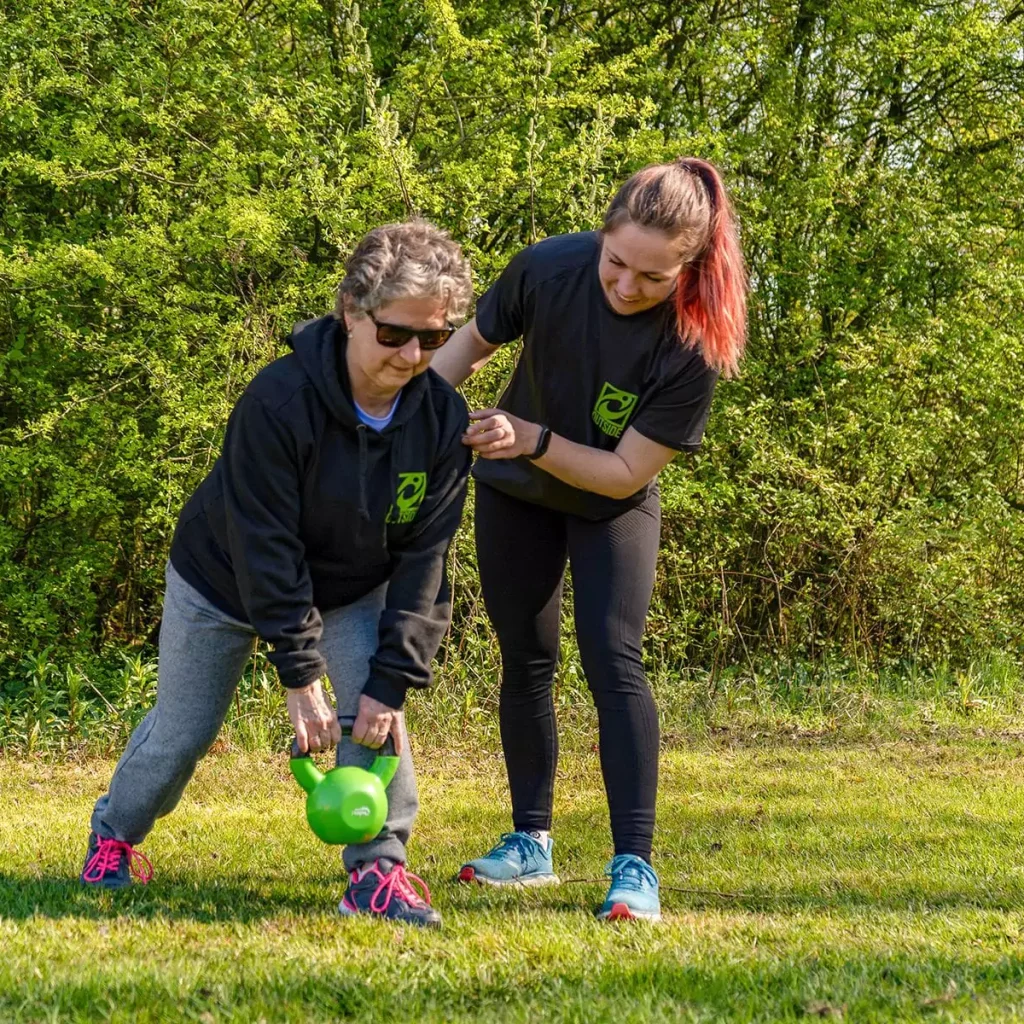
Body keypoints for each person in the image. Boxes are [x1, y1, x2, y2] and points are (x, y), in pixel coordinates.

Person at [80, 220, 473, 929]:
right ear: (352, 311)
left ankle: (378, 873)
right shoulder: (277, 402)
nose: (414, 355)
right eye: (394, 334)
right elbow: (265, 545)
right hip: (223, 579)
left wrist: (392, 682)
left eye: (434, 338)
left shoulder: (442, 422)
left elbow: (426, 560)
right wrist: (299, 674)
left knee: (376, 720)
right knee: (182, 733)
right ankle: (112, 837)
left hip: (351, 588)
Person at [431, 158, 747, 921]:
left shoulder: (695, 343)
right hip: (516, 492)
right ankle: (528, 845)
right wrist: (393, 422)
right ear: (600, 237)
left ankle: (634, 866)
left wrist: (532, 437)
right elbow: (462, 352)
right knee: (526, 659)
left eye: (651, 276)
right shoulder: (547, 267)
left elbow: (624, 471)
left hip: (609, 503)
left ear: (690, 266)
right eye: (616, 262)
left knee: (614, 660)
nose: (626, 286)